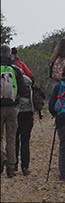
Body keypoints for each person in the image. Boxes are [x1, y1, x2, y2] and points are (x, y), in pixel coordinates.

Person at [1, 45, 28, 178]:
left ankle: (2, 156)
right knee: (11, 138)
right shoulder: (15, 70)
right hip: (12, 107)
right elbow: (23, 90)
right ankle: (11, 168)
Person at [15, 69, 35, 176]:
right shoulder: (28, 81)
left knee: (14, 138)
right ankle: (25, 166)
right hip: (28, 113)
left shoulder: (15, 81)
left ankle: (13, 163)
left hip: (16, 112)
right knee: (25, 140)